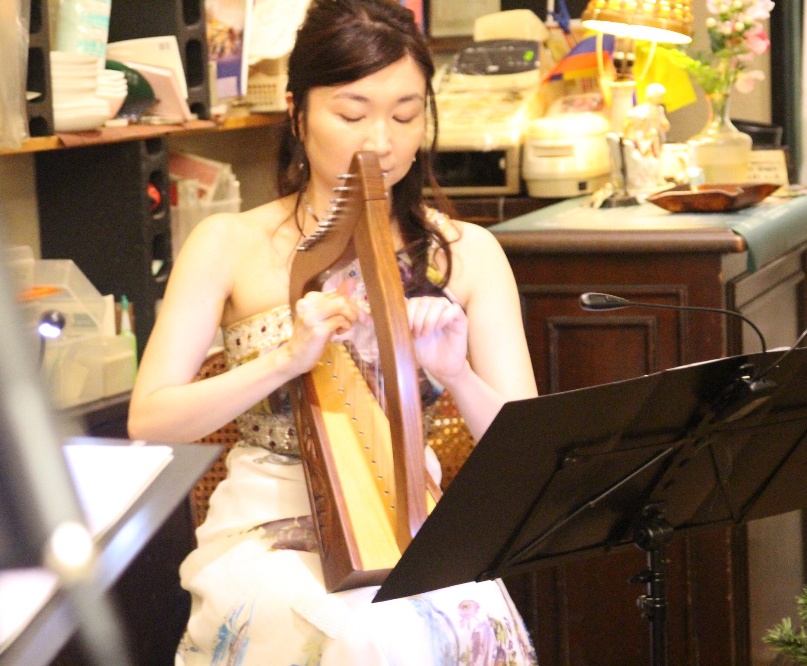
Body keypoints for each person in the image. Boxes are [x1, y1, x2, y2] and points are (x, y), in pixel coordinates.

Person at [128, 0, 539, 663]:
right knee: (360, 635)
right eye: (352, 114)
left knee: (455, 621)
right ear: (297, 113)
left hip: (413, 520)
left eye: (404, 115)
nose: (380, 140)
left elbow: (524, 453)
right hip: (263, 522)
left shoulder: (469, 254)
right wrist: (285, 359)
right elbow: (149, 421)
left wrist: (456, 371)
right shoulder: (228, 242)